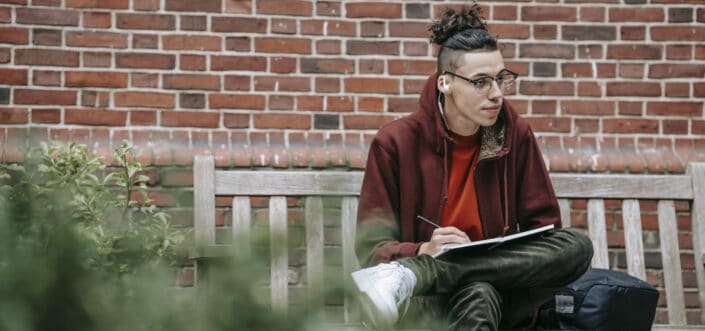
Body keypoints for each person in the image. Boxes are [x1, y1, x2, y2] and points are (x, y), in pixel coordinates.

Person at [351, 4, 593, 331]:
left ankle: (419, 271)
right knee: (478, 292)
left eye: (501, 79)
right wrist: (425, 249)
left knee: (576, 246)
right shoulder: (395, 143)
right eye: (480, 82)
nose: (496, 94)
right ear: (445, 84)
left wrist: (466, 262)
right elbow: (371, 250)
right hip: (426, 302)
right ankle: (421, 273)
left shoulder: (514, 134)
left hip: (503, 290)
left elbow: (546, 230)